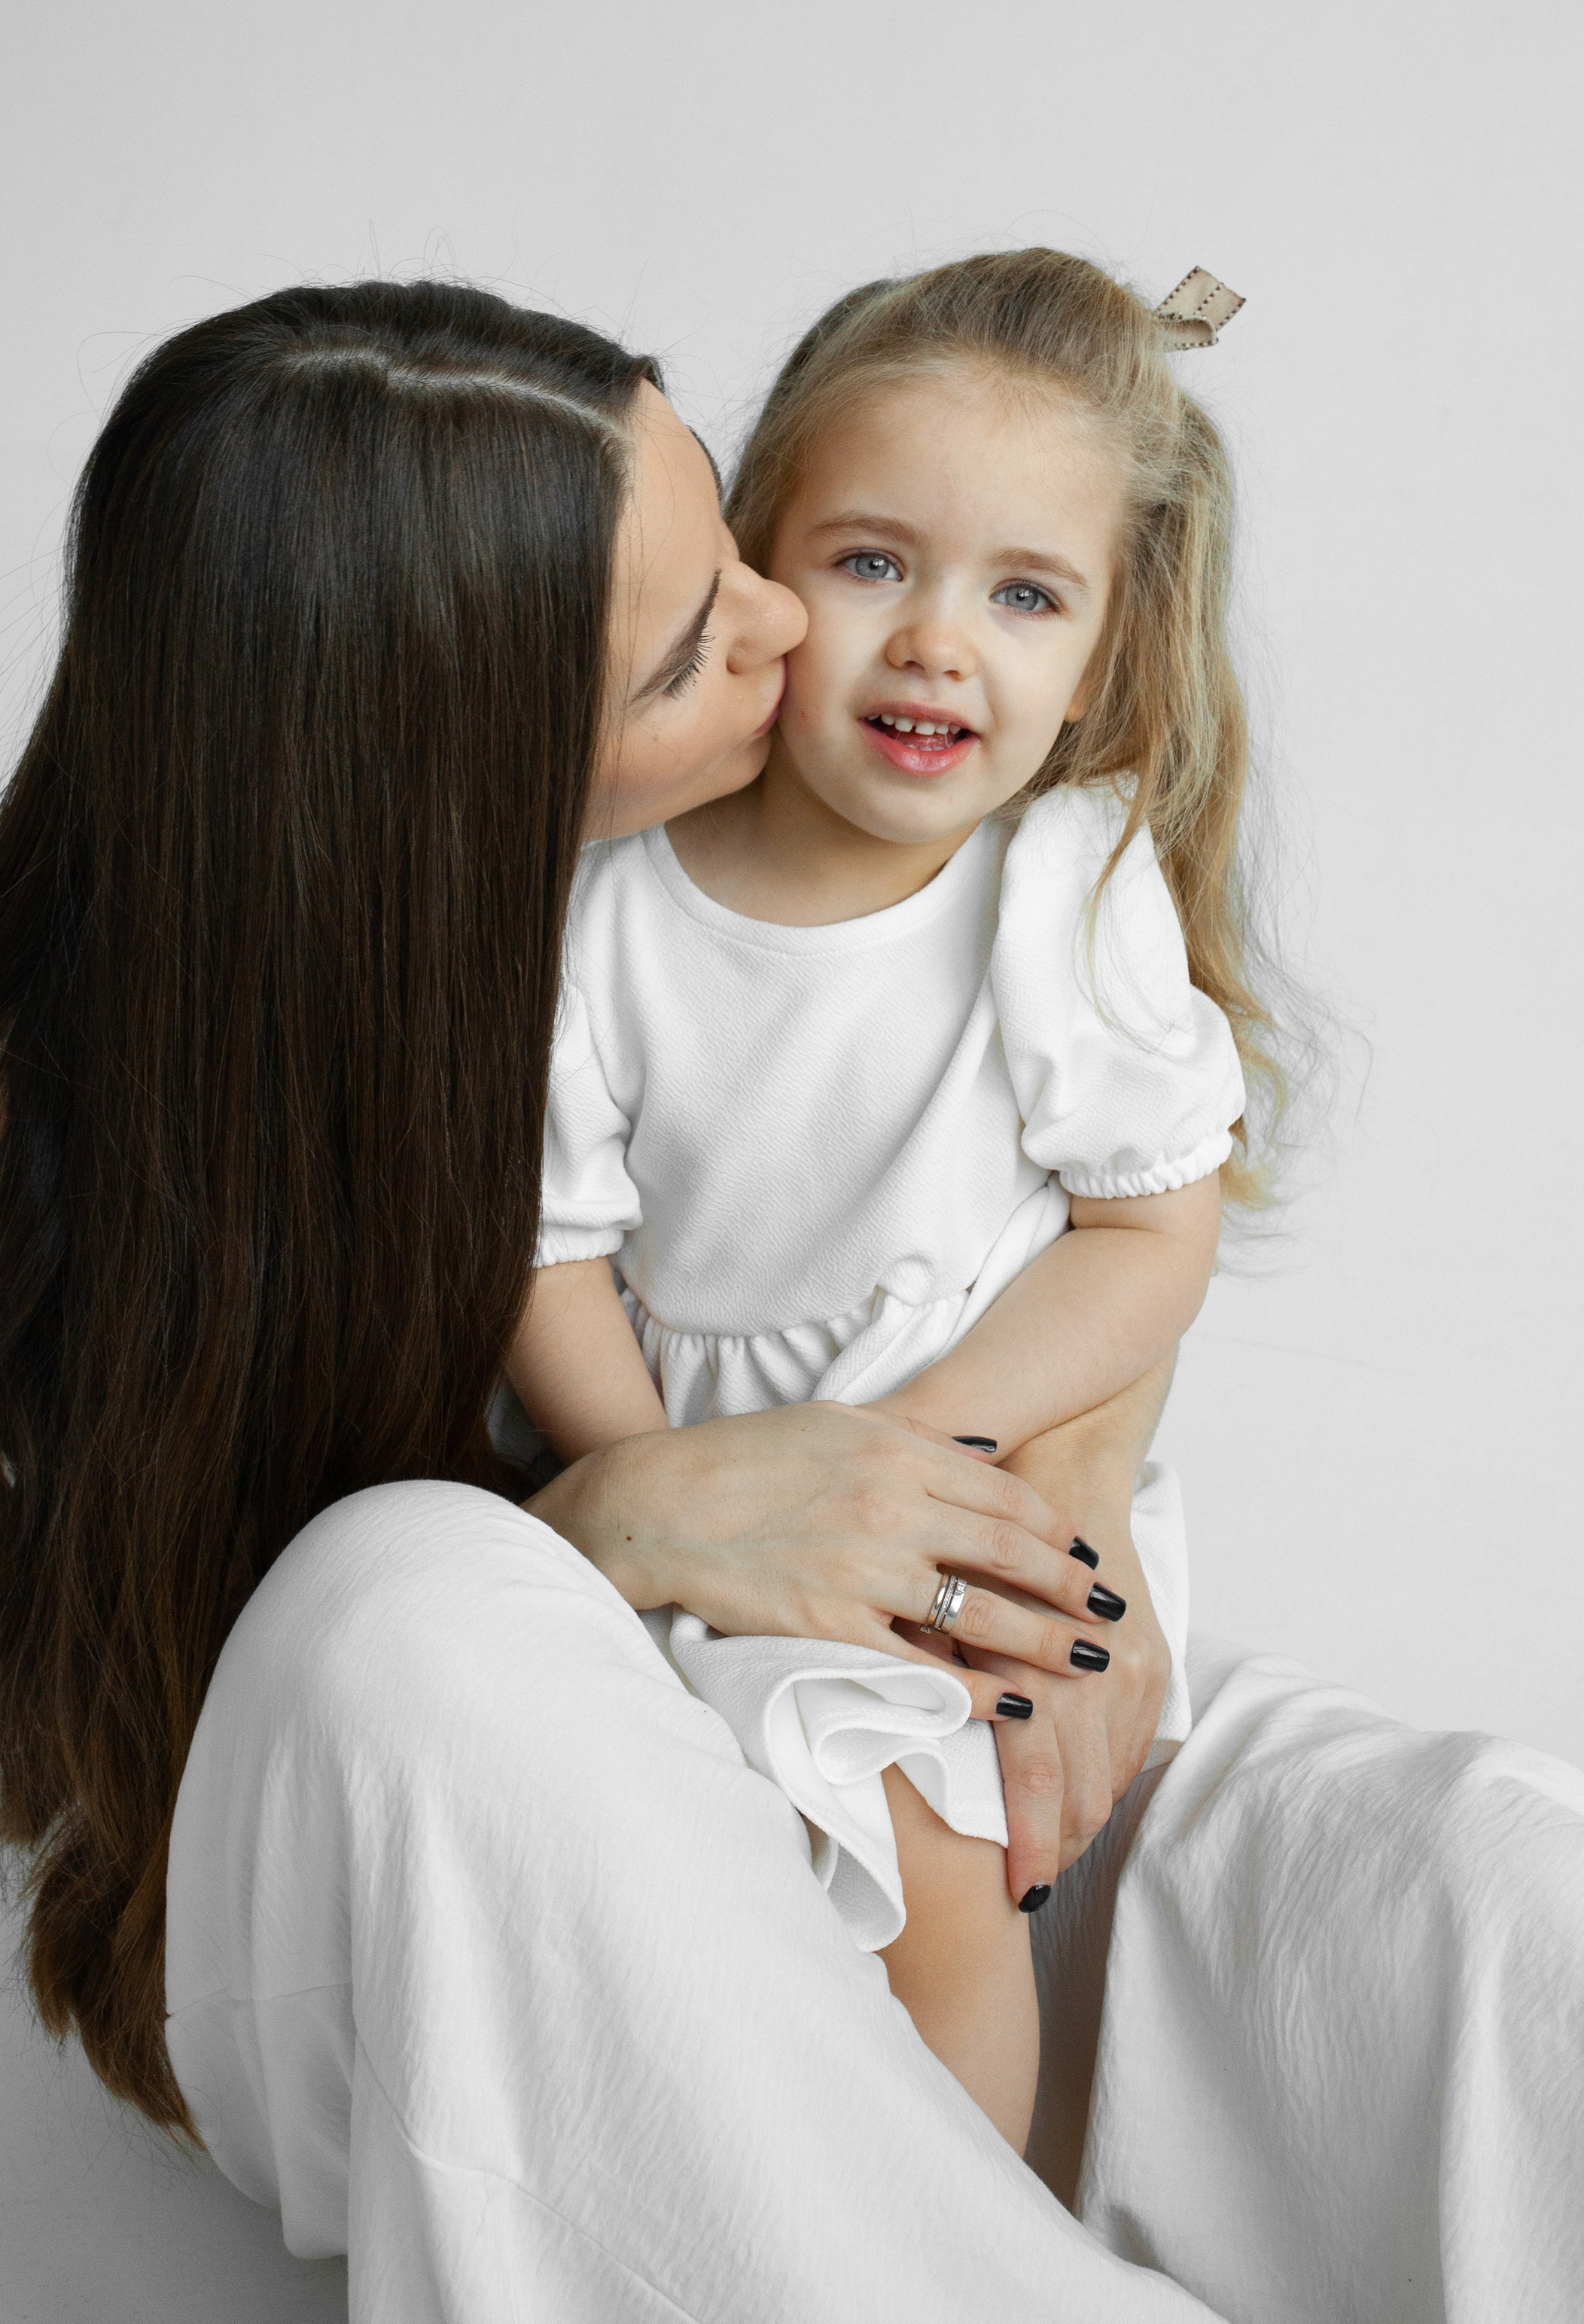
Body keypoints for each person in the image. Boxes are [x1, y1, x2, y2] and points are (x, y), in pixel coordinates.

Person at [0, 276, 1584, 2324]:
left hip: (895, 1686)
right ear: (478, 763)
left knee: (1499, 1895)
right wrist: (628, 1508)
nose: (807, 624)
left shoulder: (991, 891)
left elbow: (1113, 1228)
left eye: (733, 544)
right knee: (426, 1594)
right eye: (713, 629)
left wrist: (1045, 1512)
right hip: (483, 1871)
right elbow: (334, 1687)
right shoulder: (166, 1084)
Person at [502, 251, 1260, 2151]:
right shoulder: (608, 898)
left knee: (929, 1878)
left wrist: (903, 1461)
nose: (938, 644)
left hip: (976, 1496)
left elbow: (1149, 1230)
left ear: (1103, 649)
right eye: (869, 565)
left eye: (1022, 596)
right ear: (755, 574)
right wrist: (691, 1495)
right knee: (707, 1920)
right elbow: (542, 1255)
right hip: (687, 1493)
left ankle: (975, 2249)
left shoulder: (1060, 888)